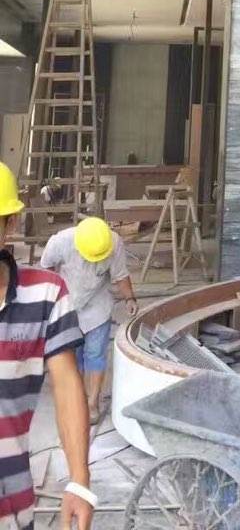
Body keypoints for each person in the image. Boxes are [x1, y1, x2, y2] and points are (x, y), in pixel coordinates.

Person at [0, 161, 95, 529]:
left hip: (10, 507)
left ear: (9, 225)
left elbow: (67, 385)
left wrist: (79, 481)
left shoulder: (46, 294)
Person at [41, 218, 138, 426]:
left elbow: (121, 275)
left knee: (95, 354)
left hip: (97, 306)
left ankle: (93, 402)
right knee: (73, 357)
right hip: (67, 304)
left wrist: (130, 298)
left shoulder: (114, 243)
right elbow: (46, 269)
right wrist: (50, 301)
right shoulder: (60, 242)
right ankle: (77, 400)